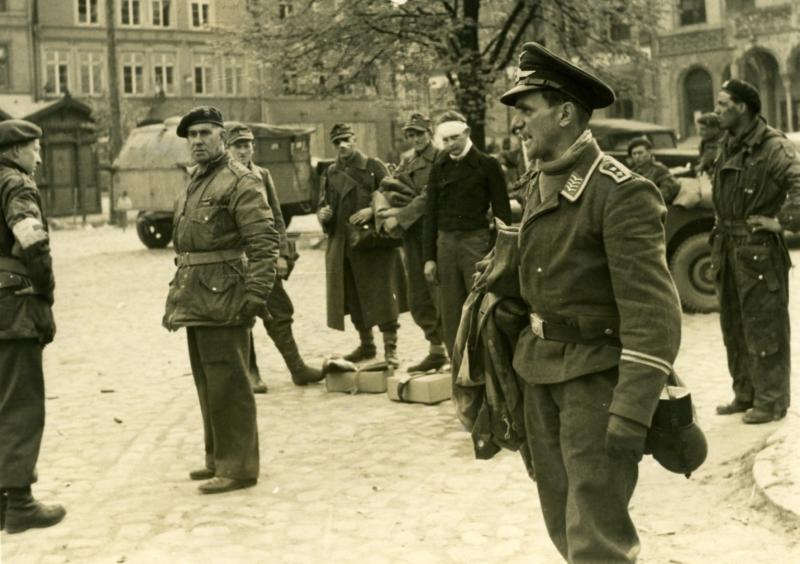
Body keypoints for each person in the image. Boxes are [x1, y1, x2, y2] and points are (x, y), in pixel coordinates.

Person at [500, 42, 682, 562]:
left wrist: (631, 409)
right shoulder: (539, 181)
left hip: (594, 385)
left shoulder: (620, 192)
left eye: (528, 110)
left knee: (597, 538)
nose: (520, 124)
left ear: (563, 113)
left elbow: (655, 316)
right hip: (541, 378)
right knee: (563, 524)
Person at [162, 107, 280, 494]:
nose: (196, 141)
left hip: (226, 294)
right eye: (191, 135)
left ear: (222, 138)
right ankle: (217, 457)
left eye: (205, 134)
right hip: (196, 294)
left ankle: (239, 466)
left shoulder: (239, 181)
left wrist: (256, 293)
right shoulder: (198, 180)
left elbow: (264, 243)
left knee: (229, 383)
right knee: (207, 381)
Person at [710, 79, 800, 424]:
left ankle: (771, 401)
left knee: (764, 325)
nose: (715, 111)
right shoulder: (728, 143)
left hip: (758, 251)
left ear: (742, 108)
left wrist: (783, 222)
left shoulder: (773, 147)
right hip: (729, 247)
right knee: (734, 324)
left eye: (722, 104)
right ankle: (745, 393)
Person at [0, 119, 65, 534]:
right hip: (14, 307)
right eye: (35, 148)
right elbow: (32, 240)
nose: (39, 157)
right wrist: (46, 290)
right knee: (21, 405)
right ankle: (20, 504)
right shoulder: (17, 184)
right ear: (17, 150)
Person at [226, 122, 323, 391]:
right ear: (228, 149)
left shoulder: (263, 175)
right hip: (236, 260)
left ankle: (298, 368)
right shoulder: (221, 178)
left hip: (264, 258)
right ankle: (252, 373)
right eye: (238, 146)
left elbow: (277, 219)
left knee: (279, 312)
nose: (243, 151)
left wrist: (281, 254)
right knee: (243, 317)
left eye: (247, 145)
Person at [422, 111, 511, 357]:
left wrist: (496, 252)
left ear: (467, 133)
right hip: (446, 245)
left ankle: (485, 363)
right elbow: (430, 213)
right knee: (450, 310)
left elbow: (502, 213)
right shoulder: (439, 166)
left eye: (454, 138)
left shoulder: (487, 165)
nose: (450, 145)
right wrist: (429, 257)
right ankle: (457, 365)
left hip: (476, 243)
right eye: (445, 140)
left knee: (480, 305)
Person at [317, 123, 407, 366]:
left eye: (346, 139)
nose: (342, 145)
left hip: (373, 244)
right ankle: (366, 346)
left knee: (383, 297)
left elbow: (394, 194)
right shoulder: (331, 172)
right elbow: (325, 203)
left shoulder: (373, 166)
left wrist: (372, 210)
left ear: (355, 139)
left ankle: (391, 349)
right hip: (344, 245)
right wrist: (323, 215)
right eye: (337, 142)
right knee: (354, 296)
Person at [376, 113, 447, 372]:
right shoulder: (407, 161)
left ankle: (453, 350)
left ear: (430, 132)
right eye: (411, 134)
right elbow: (391, 190)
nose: (415, 139)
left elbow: (431, 196)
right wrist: (386, 213)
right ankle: (436, 348)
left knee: (438, 293)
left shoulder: (441, 158)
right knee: (417, 296)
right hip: (411, 237)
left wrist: (400, 216)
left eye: (419, 133)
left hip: (433, 234)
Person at [627, 137, 681, 204]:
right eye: (634, 154)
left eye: (640, 153)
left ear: (649, 152)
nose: (637, 157)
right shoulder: (632, 172)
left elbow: (669, 189)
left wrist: (646, 200)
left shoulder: (659, 169)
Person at [696, 112, 723, 176]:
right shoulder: (704, 143)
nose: (699, 133)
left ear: (716, 130)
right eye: (698, 129)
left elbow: (702, 166)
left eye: (703, 129)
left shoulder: (722, 145)